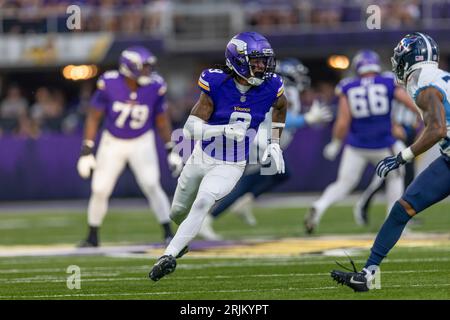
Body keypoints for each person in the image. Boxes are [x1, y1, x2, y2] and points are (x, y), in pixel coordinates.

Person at [149, 31, 287, 281]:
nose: (262, 66)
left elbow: (281, 108)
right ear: (238, 61)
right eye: (255, 61)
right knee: (177, 213)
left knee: (204, 201)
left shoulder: (271, 86)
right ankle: (181, 243)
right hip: (202, 156)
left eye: (264, 61)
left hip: (232, 162)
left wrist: (275, 145)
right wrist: (223, 129)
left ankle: (167, 255)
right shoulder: (217, 83)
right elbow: (190, 129)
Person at [331, 32, 450, 292]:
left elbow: (438, 129)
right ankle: (368, 275)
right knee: (402, 208)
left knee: (402, 209)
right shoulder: (436, 77)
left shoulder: (424, 85)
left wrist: (402, 156)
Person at [197, 58, 332, 240]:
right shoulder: (287, 91)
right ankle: (209, 217)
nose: (302, 80)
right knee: (241, 182)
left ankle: (243, 202)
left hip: (262, 141)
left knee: (280, 173)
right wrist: (308, 119)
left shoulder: (278, 88)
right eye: (299, 75)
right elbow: (284, 120)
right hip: (261, 142)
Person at [76, 46, 183, 247]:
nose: (147, 71)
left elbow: (161, 120)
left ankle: (168, 232)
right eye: (143, 67)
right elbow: (93, 116)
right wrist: (87, 150)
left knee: (151, 184)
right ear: (129, 67)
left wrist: (171, 148)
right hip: (113, 141)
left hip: (142, 140)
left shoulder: (155, 86)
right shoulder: (109, 83)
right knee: (99, 189)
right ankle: (92, 236)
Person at [303, 49, 417, 234]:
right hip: (383, 143)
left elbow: (343, 121)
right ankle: (393, 223)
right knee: (396, 177)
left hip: (356, 145)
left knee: (344, 183)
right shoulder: (387, 81)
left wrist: (335, 143)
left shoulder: (349, 86)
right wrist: (425, 115)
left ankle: (320, 205)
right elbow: (409, 102)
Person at [353, 99, 422, 226]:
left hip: (410, 132)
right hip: (395, 136)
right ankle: (363, 204)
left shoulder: (417, 86)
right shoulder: (395, 85)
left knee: (408, 176)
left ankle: (404, 213)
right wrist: (394, 125)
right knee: (387, 174)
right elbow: (385, 108)